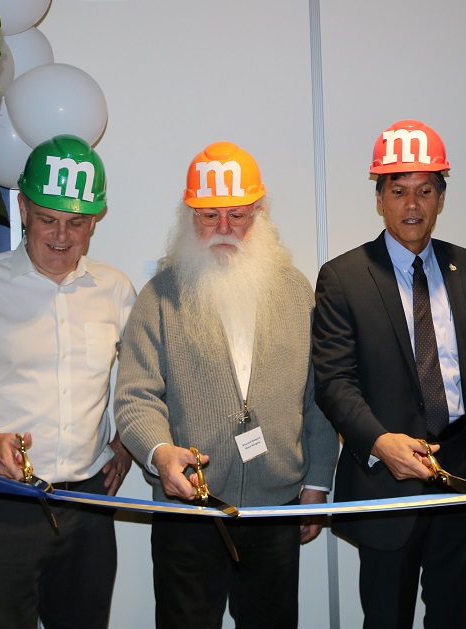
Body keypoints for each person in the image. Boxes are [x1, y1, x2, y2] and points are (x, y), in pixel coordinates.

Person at [114, 141, 338, 629]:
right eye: (209, 215)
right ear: (189, 216)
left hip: (276, 511)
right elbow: (134, 397)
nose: (224, 229)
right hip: (187, 512)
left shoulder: (296, 290)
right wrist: (158, 453)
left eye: (237, 215)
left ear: (259, 213)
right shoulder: (160, 296)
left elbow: (319, 398)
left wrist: (318, 482)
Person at [0, 134, 136, 628]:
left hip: (86, 507)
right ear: (22, 208)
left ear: (95, 221)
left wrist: (126, 440)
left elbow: (139, 380)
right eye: (47, 220)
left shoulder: (116, 291)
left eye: (76, 223)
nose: (61, 236)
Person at [312, 119, 466, 629]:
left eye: (425, 191)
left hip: (463, 480)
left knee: (460, 618)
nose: (412, 206)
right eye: (398, 191)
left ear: (441, 198)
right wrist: (381, 444)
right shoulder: (343, 277)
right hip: (385, 485)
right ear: (379, 199)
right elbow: (334, 383)